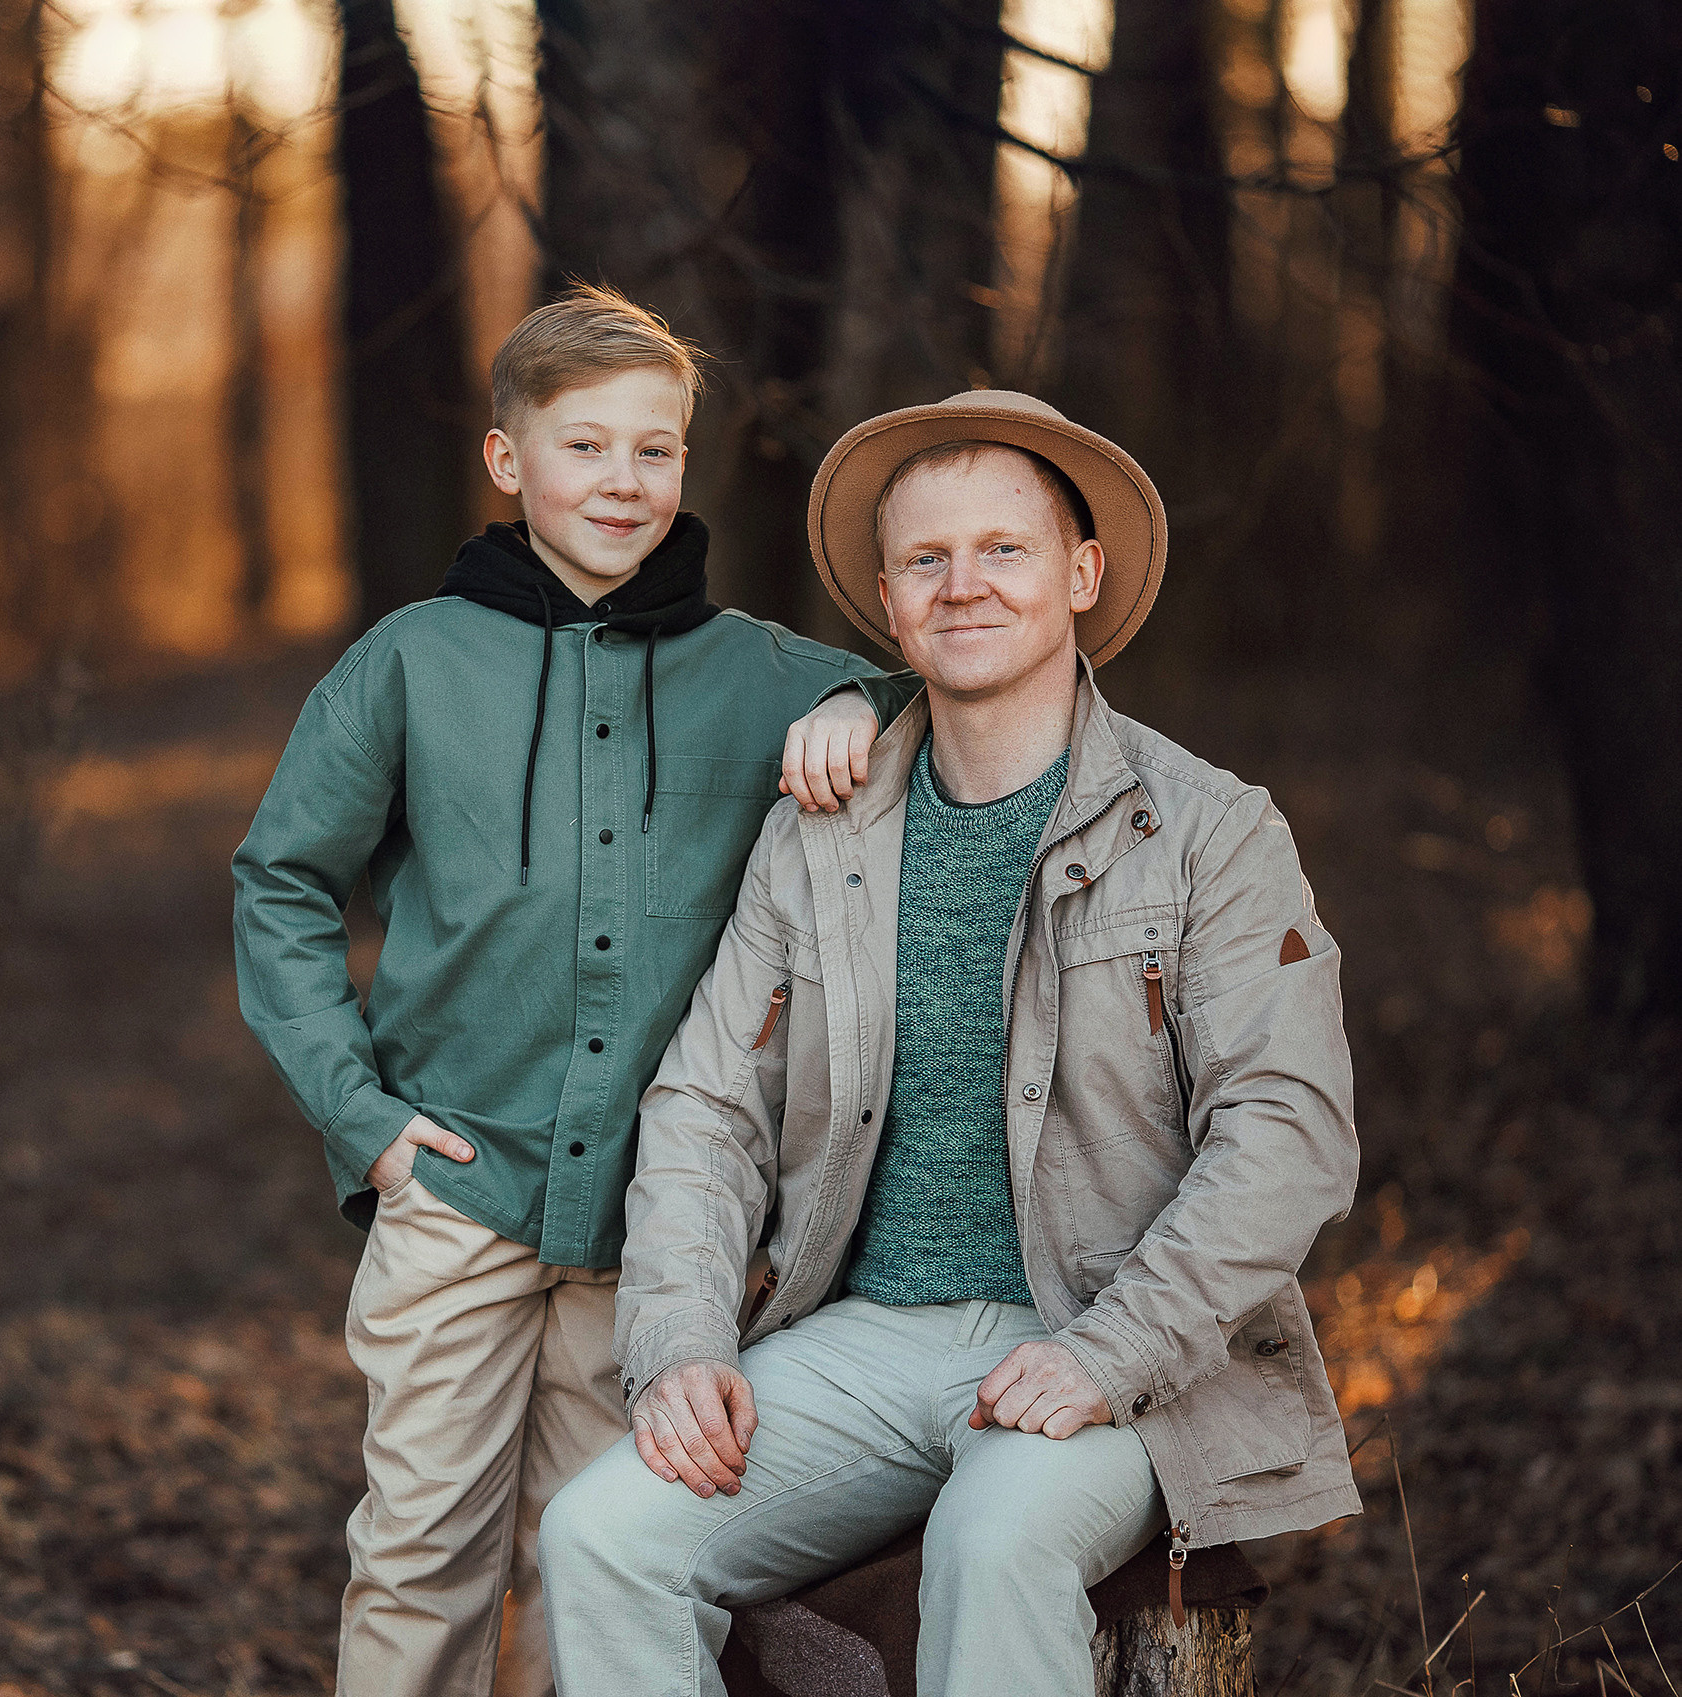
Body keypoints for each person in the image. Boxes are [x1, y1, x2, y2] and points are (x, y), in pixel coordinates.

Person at [538, 391, 1363, 1697]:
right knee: (601, 1533)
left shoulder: (1212, 831)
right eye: (928, 558)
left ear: (1082, 574)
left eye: (1006, 550)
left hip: (1119, 1336)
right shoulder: (822, 830)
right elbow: (706, 1106)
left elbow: (1291, 1135)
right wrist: (684, 1339)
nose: (963, 585)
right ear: (887, 593)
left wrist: (1109, 1351)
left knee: (993, 1536)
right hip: (862, 1339)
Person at [231, 284, 921, 1697]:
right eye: (586, 446)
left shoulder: (765, 674)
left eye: (654, 449)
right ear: (508, 459)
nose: (624, 480)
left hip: (660, 1231)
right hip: (457, 1185)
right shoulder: (410, 664)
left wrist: (868, 705)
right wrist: (358, 1115)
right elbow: (281, 881)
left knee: (592, 1558)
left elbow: (930, 694)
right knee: (424, 1552)